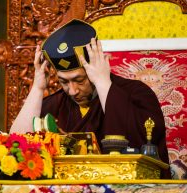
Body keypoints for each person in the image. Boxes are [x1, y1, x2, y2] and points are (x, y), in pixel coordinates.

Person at [10, 19, 171, 178]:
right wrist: (38, 88)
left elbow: (141, 144)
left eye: (79, 80)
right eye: (64, 82)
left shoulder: (136, 93)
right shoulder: (57, 104)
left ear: (97, 67)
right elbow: (16, 144)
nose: (72, 91)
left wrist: (102, 81)